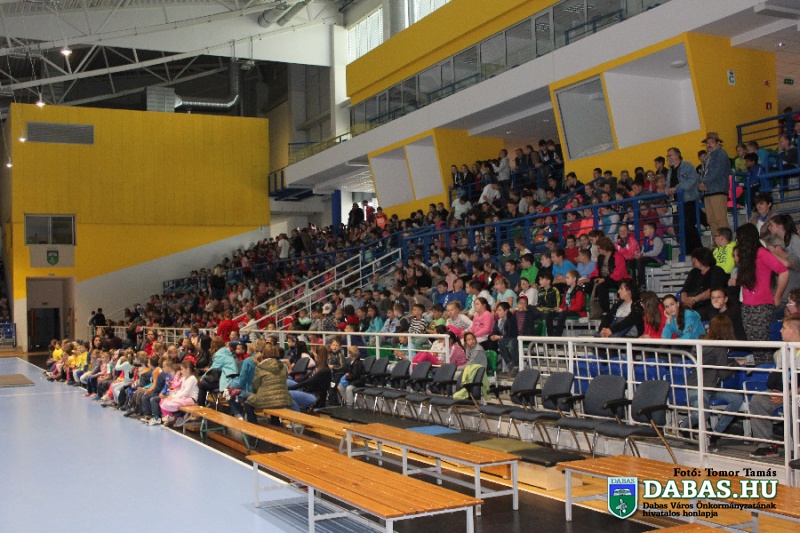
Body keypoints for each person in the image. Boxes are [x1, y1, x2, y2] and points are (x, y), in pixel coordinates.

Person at [680, 315, 744, 452]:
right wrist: (735, 364)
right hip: (705, 387)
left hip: (698, 386)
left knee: (735, 399)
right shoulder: (720, 348)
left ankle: (711, 434)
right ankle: (687, 426)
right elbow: (723, 374)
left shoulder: (700, 342)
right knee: (732, 402)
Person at [737, 223, 788, 364]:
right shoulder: (747, 257)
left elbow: (783, 271)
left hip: (762, 304)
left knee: (761, 344)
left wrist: (777, 296)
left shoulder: (761, 253)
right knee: (755, 344)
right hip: (747, 304)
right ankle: (762, 371)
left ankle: (767, 371)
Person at [749, 315, 800, 458]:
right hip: (783, 392)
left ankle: (797, 448)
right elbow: (777, 377)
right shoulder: (783, 351)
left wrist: (788, 395)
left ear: (794, 331)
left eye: (784, 328)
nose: (780, 331)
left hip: (795, 395)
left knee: (795, 406)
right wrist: (780, 392)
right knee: (759, 400)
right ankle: (766, 445)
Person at [245, 344, 296, 423]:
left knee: (248, 403)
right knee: (275, 404)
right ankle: (275, 424)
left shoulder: (260, 367)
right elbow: (284, 379)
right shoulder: (282, 366)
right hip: (283, 398)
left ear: (264, 353)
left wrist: (256, 392)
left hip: (266, 398)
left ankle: (253, 425)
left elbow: (255, 385)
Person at [666, 147, 703, 254]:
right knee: (679, 226)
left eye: (670, 155)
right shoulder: (670, 171)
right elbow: (668, 184)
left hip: (687, 200)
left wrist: (677, 188)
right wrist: (667, 190)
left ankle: (698, 249)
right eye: (668, 156)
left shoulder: (687, 166)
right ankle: (686, 250)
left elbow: (692, 181)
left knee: (688, 225)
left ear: (677, 155)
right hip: (675, 202)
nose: (669, 157)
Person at [679, 247, 729, 321]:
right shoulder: (694, 272)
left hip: (708, 304)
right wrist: (685, 300)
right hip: (692, 304)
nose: (693, 260)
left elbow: (712, 291)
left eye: (695, 258)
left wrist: (695, 299)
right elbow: (684, 289)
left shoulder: (716, 271)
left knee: (711, 309)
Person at [698, 132, 731, 237]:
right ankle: (717, 242)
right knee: (711, 220)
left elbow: (717, 171)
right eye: (707, 143)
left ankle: (725, 242)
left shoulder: (721, 154)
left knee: (720, 219)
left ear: (718, 143)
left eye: (712, 142)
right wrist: (701, 183)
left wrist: (704, 182)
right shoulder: (708, 156)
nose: (709, 145)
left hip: (717, 190)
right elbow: (705, 173)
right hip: (709, 191)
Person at [591, 236, 629, 313]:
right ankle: (591, 310)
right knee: (589, 285)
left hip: (617, 280)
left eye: (599, 248)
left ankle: (606, 311)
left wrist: (605, 279)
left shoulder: (618, 256)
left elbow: (619, 273)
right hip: (604, 279)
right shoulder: (600, 257)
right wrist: (594, 278)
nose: (598, 250)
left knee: (602, 286)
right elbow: (597, 269)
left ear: (604, 248)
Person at [288, 345, 332, 410]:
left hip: (315, 397)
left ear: (316, 355)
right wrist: (290, 382)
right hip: (308, 392)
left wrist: (289, 388)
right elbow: (303, 379)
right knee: (288, 382)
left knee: (288, 394)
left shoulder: (324, 370)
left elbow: (308, 382)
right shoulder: (317, 368)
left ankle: (295, 414)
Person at [159, 360, 199, 427]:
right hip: (185, 398)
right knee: (165, 401)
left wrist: (174, 397)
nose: (181, 371)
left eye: (182, 369)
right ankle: (175, 415)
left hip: (191, 399)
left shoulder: (192, 379)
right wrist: (173, 395)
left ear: (187, 369)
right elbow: (181, 390)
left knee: (170, 402)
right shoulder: (184, 378)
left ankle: (179, 415)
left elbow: (185, 392)